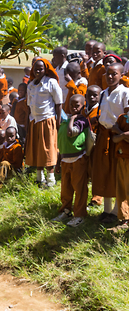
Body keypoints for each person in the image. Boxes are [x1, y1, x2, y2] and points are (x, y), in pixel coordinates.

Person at [91, 63, 129, 224]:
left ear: (121, 75)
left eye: (114, 74)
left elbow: (126, 116)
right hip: (103, 136)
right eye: (108, 74)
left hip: (117, 138)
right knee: (103, 172)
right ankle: (106, 209)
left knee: (116, 173)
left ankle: (116, 211)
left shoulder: (125, 92)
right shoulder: (104, 92)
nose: (111, 76)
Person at [53, 94, 89, 227]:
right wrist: (58, 161)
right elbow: (61, 142)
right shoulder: (65, 120)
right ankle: (66, 210)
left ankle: (79, 215)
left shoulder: (81, 120)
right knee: (66, 188)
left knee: (79, 188)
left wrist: (72, 118)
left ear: (83, 106)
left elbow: (71, 133)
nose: (74, 107)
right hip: (65, 160)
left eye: (77, 105)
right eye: (71, 105)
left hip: (78, 159)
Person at [26, 58, 63, 187]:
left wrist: (57, 121)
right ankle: (39, 177)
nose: (38, 71)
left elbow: (58, 103)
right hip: (34, 120)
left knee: (47, 149)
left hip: (47, 119)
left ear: (45, 70)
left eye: (41, 69)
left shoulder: (51, 83)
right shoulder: (31, 85)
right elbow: (29, 105)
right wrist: (28, 122)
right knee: (37, 149)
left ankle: (51, 179)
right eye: (36, 69)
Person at [112, 100, 129, 226]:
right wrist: (123, 135)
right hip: (121, 156)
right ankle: (124, 217)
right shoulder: (122, 118)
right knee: (121, 188)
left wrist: (120, 133)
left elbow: (118, 135)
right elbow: (114, 138)